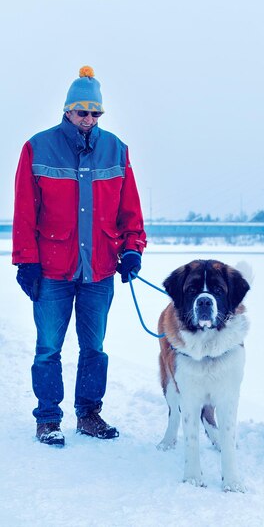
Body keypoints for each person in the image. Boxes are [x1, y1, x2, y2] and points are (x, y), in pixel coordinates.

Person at [12, 66, 146, 447]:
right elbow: (25, 211)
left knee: (94, 349)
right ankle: (48, 419)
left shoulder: (116, 149)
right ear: (68, 110)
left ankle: (88, 414)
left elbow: (130, 211)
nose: (89, 120)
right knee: (48, 348)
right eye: (82, 112)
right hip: (52, 269)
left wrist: (132, 248)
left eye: (96, 113)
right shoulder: (37, 147)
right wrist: (26, 260)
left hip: (100, 270)